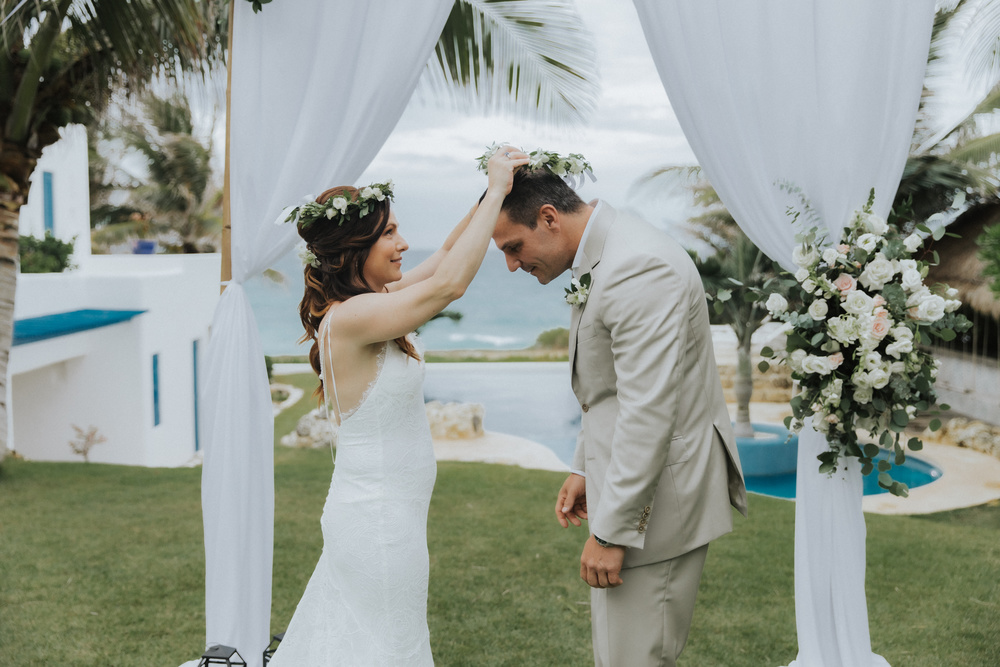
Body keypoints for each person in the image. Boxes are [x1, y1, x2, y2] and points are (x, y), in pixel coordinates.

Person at [267, 146, 529, 666]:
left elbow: (444, 259)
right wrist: (497, 190)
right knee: (389, 650)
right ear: (352, 250)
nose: (404, 244)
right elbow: (450, 284)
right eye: (389, 234)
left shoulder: (373, 304)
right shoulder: (350, 319)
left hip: (390, 517)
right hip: (377, 522)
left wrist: (492, 192)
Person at [491, 158, 748, 667]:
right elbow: (607, 387)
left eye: (513, 248)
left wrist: (612, 531)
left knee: (635, 659)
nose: (512, 266)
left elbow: (648, 408)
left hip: (659, 508)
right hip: (634, 492)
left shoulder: (637, 267)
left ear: (548, 218)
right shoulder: (605, 254)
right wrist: (585, 464)